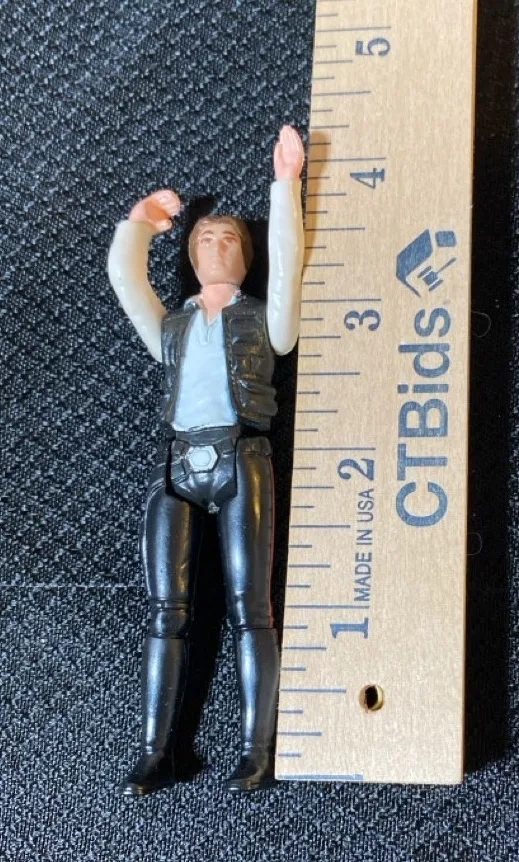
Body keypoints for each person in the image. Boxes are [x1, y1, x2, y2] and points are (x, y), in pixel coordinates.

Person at [107, 125, 305, 795]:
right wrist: (139, 224)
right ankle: (155, 751)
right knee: (166, 611)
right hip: (177, 467)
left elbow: (290, 268)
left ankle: (256, 751)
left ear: (246, 256)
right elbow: (125, 280)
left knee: (254, 608)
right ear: (190, 256)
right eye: (204, 240)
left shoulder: (266, 321)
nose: (216, 246)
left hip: (243, 456)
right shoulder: (169, 327)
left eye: (228, 240)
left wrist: (285, 188)